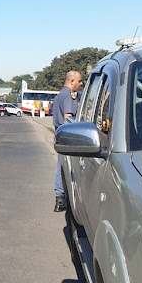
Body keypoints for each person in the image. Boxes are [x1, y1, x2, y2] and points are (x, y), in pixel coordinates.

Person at [52, 70, 83, 212]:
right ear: (72, 81)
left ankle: (59, 199)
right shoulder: (69, 97)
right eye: (79, 81)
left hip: (60, 134)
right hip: (68, 136)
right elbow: (68, 118)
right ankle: (65, 198)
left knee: (61, 166)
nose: (80, 84)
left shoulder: (60, 95)